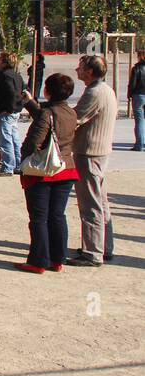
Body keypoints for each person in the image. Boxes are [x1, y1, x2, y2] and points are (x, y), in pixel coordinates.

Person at [13, 73, 79, 274]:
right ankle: (57, 258)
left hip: (44, 171)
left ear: (47, 90)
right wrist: (31, 104)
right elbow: (50, 120)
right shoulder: (71, 113)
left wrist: (24, 156)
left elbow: (35, 140)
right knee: (57, 215)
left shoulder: (47, 114)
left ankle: (38, 260)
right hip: (66, 168)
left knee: (39, 218)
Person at [68, 55, 116, 266]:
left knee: (90, 203)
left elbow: (75, 118)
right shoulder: (105, 89)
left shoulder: (95, 92)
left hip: (89, 152)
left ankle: (93, 252)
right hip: (99, 150)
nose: (77, 69)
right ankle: (104, 246)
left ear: (89, 71)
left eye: (80, 67)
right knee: (101, 201)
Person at [0, 51, 27, 176]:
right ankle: (17, 165)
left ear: (5, 63)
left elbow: (10, 93)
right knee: (14, 139)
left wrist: (8, 108)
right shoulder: (17, 75)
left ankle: (7, 167)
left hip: (5, 112)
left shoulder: (4, 76)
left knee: (5, 140)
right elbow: (22, 91)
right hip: (14, 111)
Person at [129, 49, 145, 152]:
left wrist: (130, 94)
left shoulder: (136, 68)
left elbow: (132, 84)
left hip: (138, 95)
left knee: (139, 121)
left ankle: (139, 145)